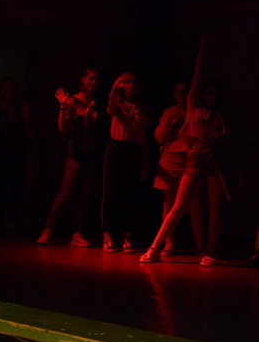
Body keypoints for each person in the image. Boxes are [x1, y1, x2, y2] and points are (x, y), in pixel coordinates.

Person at [141, 34, 229, 266]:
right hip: (194, 160)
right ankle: (154, 248)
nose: (212, 97)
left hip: (213, 163)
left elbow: (223, 146)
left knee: (215, 207)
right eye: (209, 93)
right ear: (202, 93)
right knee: (178, 206)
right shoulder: (194, 106)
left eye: (216, 94)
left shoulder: (217, 118)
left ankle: (209, 251)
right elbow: (198, 74)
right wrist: (203, 47)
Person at [38, 68, 103, 246]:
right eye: (90, 79)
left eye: (96, 80)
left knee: (84, 196)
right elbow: (62, 128)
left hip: (91, 155)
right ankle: (48, 230)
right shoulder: (73, 101)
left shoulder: (98, 104)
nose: (93, 83)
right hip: (75, 154)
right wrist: (62, 105)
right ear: (83, 80)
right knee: (64, 193)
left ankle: (76, 233)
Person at [152, 82, 205, 255]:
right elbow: (160, 139)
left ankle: (201, 247)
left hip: (189, 159)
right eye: (178, 92)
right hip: (170, 159)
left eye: (184, 92)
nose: (181, 95)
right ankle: (168, 244)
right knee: (168, 203)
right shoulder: (169, 112)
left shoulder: (196, 111)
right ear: (174, 94)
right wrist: (169, 121)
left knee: (194, 205)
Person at [101, 72, 151, 252]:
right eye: (127, 82)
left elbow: (142, 136)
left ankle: (126, 238)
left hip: (133, 149)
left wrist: (144, 162)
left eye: (134, 83)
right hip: (117, 147)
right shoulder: (117, 103)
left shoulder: (141, 108)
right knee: (110, 193)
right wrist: (116, 86)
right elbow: (109, 108)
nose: (131, 86)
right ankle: (107, 237)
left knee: (129, 195)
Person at [0, 78, 32, 229]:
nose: (8, 91)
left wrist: (26, 118)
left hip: (18, 155)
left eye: (10, 88)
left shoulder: (20, 109)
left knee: (17, 187)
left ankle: (13, 219)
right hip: (1, 154)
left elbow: (28, 134)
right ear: (1, 91)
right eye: (5, 88)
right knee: (1, 187)